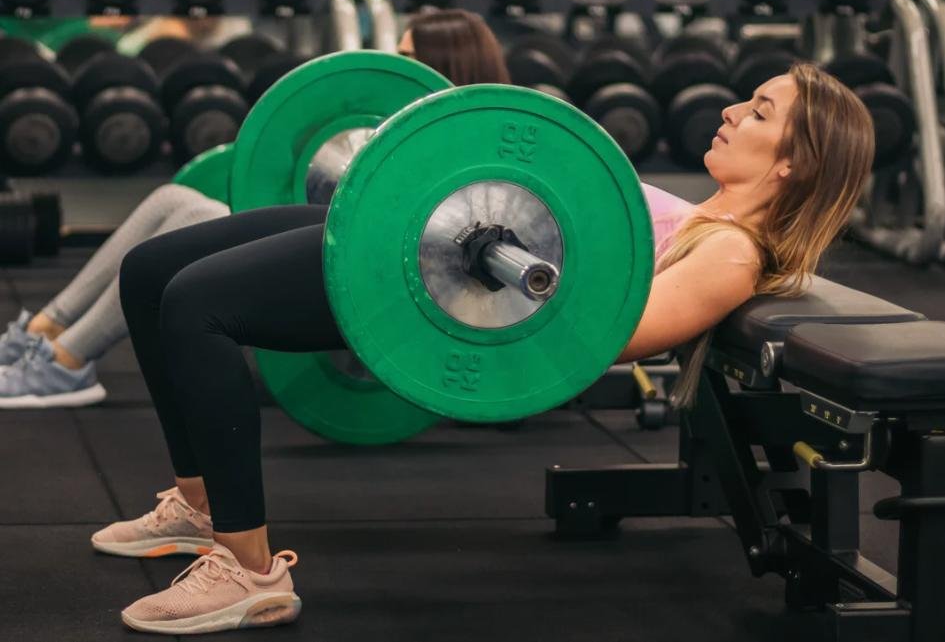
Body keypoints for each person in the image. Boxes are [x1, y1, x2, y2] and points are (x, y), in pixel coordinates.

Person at [92, 59, 874, 635]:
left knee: (196, 305)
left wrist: (520, 260)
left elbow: (612, 336)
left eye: (761, 111)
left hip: (438, 286)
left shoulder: (733, 252)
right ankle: (198, 507)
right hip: (431, 231)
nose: (733, 109)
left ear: (791, 162)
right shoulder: (703, 216)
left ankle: (248, 569)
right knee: (152, 270)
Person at [0, 9, 511, 408]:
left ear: (446, 72)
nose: (397, 71)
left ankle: (66, 363)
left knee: (193, 219)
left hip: (374, 281)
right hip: (339, 245)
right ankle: (47, 330)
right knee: (173, 199)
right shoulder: (407, 136)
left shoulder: (469, 156)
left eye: (410, 60)